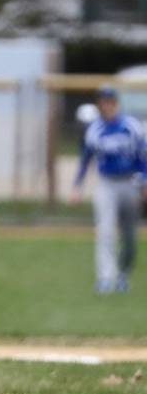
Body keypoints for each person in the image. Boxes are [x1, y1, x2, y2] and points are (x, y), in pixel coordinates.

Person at [71, 86, 147, 295]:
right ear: (100, 104)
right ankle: (106, 277)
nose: (107, 105)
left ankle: (123, 275)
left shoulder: (132, 127)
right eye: (103, 101)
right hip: (107, 183)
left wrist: (145, 182)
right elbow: (86, 160)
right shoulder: (95, 130)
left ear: (116, 103)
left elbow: (143, 158)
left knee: (130, 236)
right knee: (105, 231)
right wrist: (77, 186)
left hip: (130, 183)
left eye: (110, 101)